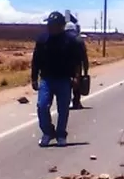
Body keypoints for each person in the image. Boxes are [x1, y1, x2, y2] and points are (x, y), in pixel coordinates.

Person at [32, 11, 82, 147]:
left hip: (64, 79)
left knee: (63, 109)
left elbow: (77, 61)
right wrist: (34, 78)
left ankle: (61, 134)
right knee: (42, 106)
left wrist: (76, 77)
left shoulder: (70, 41)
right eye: (49, 24)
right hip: (46, 79)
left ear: (61, 26)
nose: (51, 27)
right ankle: (48, 132)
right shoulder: (42, 40)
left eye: (54, 25)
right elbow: (35, 60)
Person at [66, 22, 89, 110]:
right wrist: (86, 70)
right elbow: (84, 57)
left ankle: (64, 102)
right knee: (77, 85)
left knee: (66, 84)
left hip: (64, 66)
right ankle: (76, 102)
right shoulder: (79, 39)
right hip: (76, 66)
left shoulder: (61, 38)